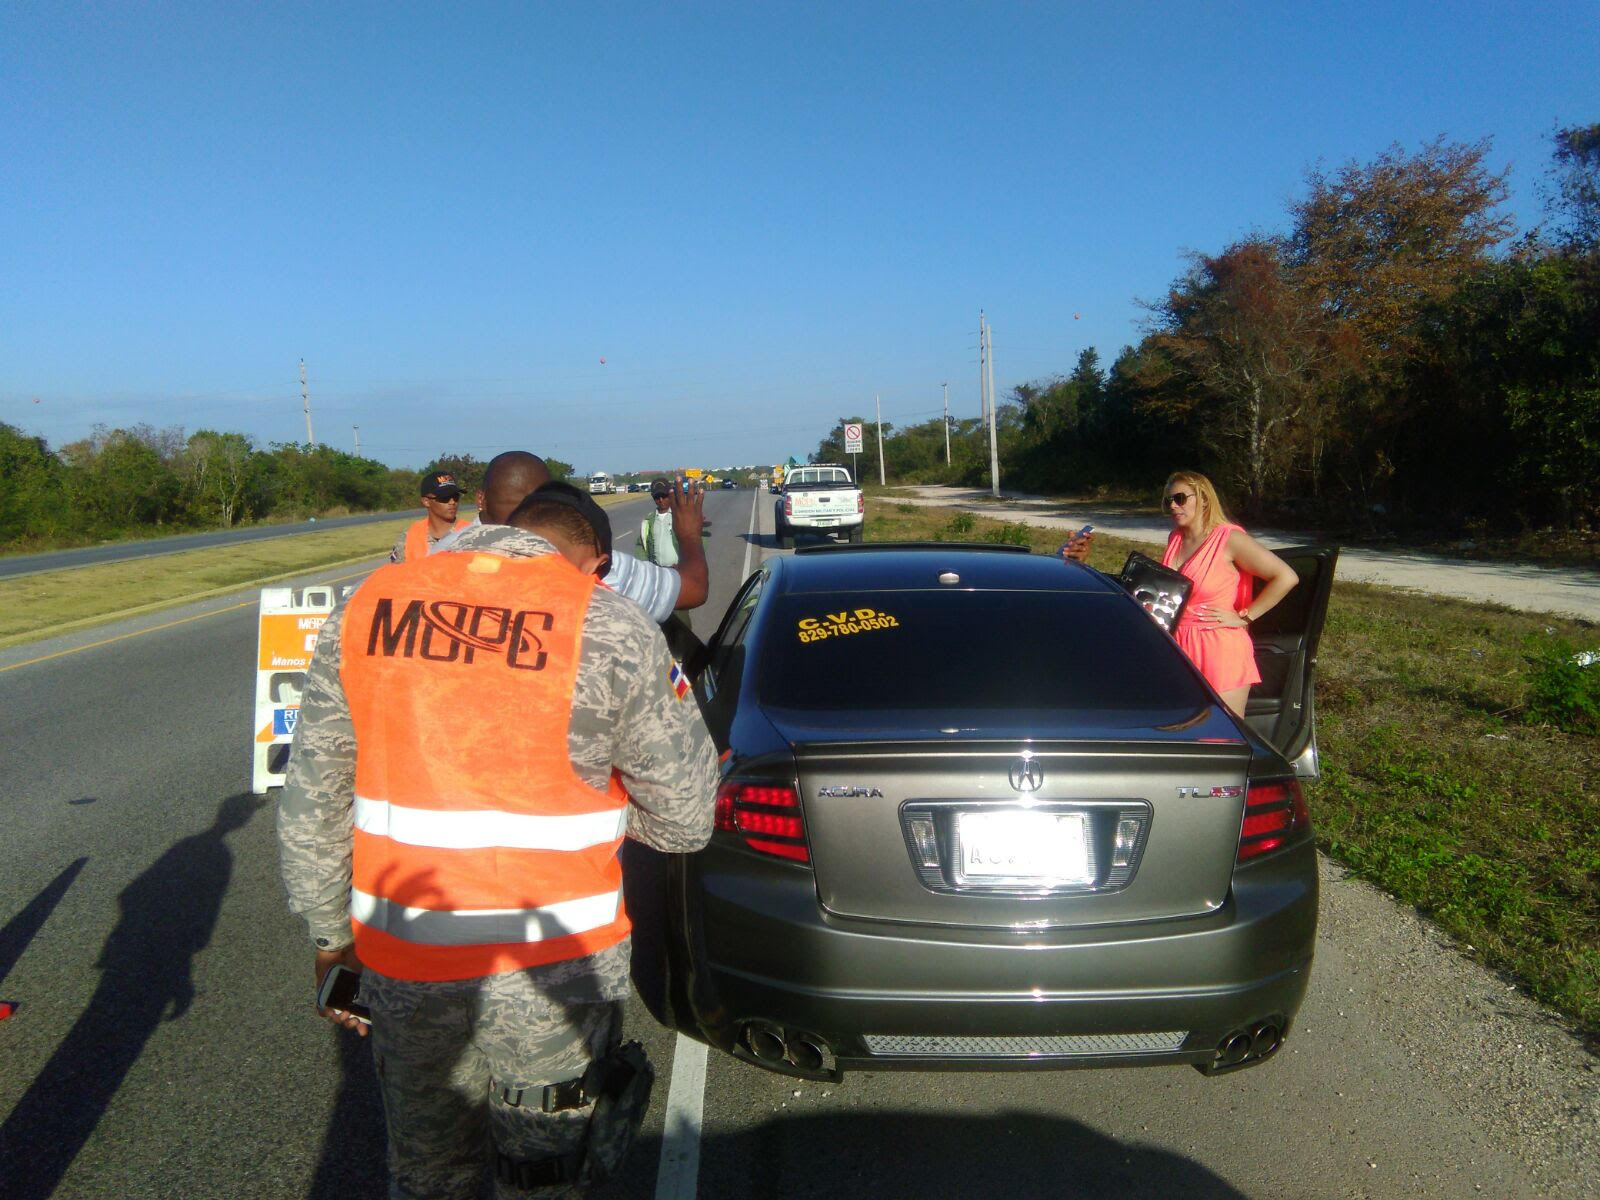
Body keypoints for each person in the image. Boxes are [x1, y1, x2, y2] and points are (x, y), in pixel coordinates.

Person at [278, 482, 718, 1199]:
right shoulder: (609, 621)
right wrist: (603, 814)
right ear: (594, 560)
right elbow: (687, 817)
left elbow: (314, 797)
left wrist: (330, 937)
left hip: (406, 956)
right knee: (545, 1175)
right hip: (557, 965)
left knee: (428, 1174)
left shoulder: (365, 605)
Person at [432, 452, 709, 622]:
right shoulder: (589, 563)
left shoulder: (437, 558)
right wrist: (688, 533)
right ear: (549, 501)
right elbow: (693, 589)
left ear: (480, 499)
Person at [1159, 470, 1298, 717]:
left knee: (1223, 732)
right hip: (1178, 646)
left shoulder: (1229, 538)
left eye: (1180, 498)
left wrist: (1245, 616)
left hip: (1218, 648)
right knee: (1181, 730)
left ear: (1204, 499)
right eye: (1168, 500)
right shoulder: (1176, 538)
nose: (1172, 506)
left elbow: (1286, 577)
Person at [389, 472, 472, 563]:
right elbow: (396, 571)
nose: (452, 502)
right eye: (444, 497)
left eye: (456, 496)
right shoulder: (409, 537)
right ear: (426, 501)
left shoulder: (472, 533)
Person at [636, 478, 680, 567]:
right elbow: (640, 546)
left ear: (670, 495)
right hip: (657, 571)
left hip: (679, 570)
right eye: (657, 497)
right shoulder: (648, 521)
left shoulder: (679, 516)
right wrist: (646, 565)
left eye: (664, 496)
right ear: (653, 497)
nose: (661, 500)